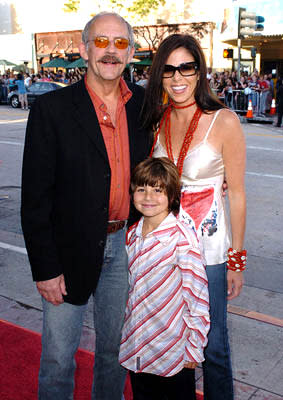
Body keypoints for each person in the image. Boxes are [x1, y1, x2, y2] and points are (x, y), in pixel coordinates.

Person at [21, 11, 151, 400]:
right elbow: (35, 198)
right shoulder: (52, 110)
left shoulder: (145, 105)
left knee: (114, 354)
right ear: (83, 49)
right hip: (67, 251)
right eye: (100, 41)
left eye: (120, 43)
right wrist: (45, 268)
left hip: (126, 249)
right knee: (59, 359)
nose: (110, 51)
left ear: (130, 53)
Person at [143, 34, 246, 400]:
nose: (177, 77)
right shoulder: (157, 119)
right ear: (160, 75)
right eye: (169, 69)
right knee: (172, 340)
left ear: (199, 71)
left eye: (186, 67)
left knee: (214, 348)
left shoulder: (224, 121)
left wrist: (237, 259)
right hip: (166, 251)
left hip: (210, 253)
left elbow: (237, 193)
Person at [119, 157, 210, 400]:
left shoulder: (182, 240)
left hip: (171, 351)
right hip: (138, 344)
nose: (148, 197)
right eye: (141, 189)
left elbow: (197, 299)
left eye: (157, 190)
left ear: (172, 196)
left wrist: (193, 350)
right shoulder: (132, 235)